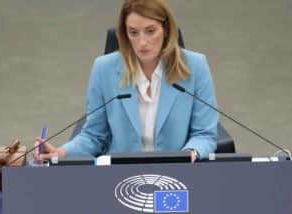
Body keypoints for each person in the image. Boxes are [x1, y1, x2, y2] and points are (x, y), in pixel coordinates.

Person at [35, 0, 217, 163]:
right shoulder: (104, 69)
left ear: (167, 29)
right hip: (120, 176)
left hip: (177, 173)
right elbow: (94, 136)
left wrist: (190, 154)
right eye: (133, 33)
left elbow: (205, 134)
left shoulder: (195, 66)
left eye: (150, 31)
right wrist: (63, 152)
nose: (142, 42)